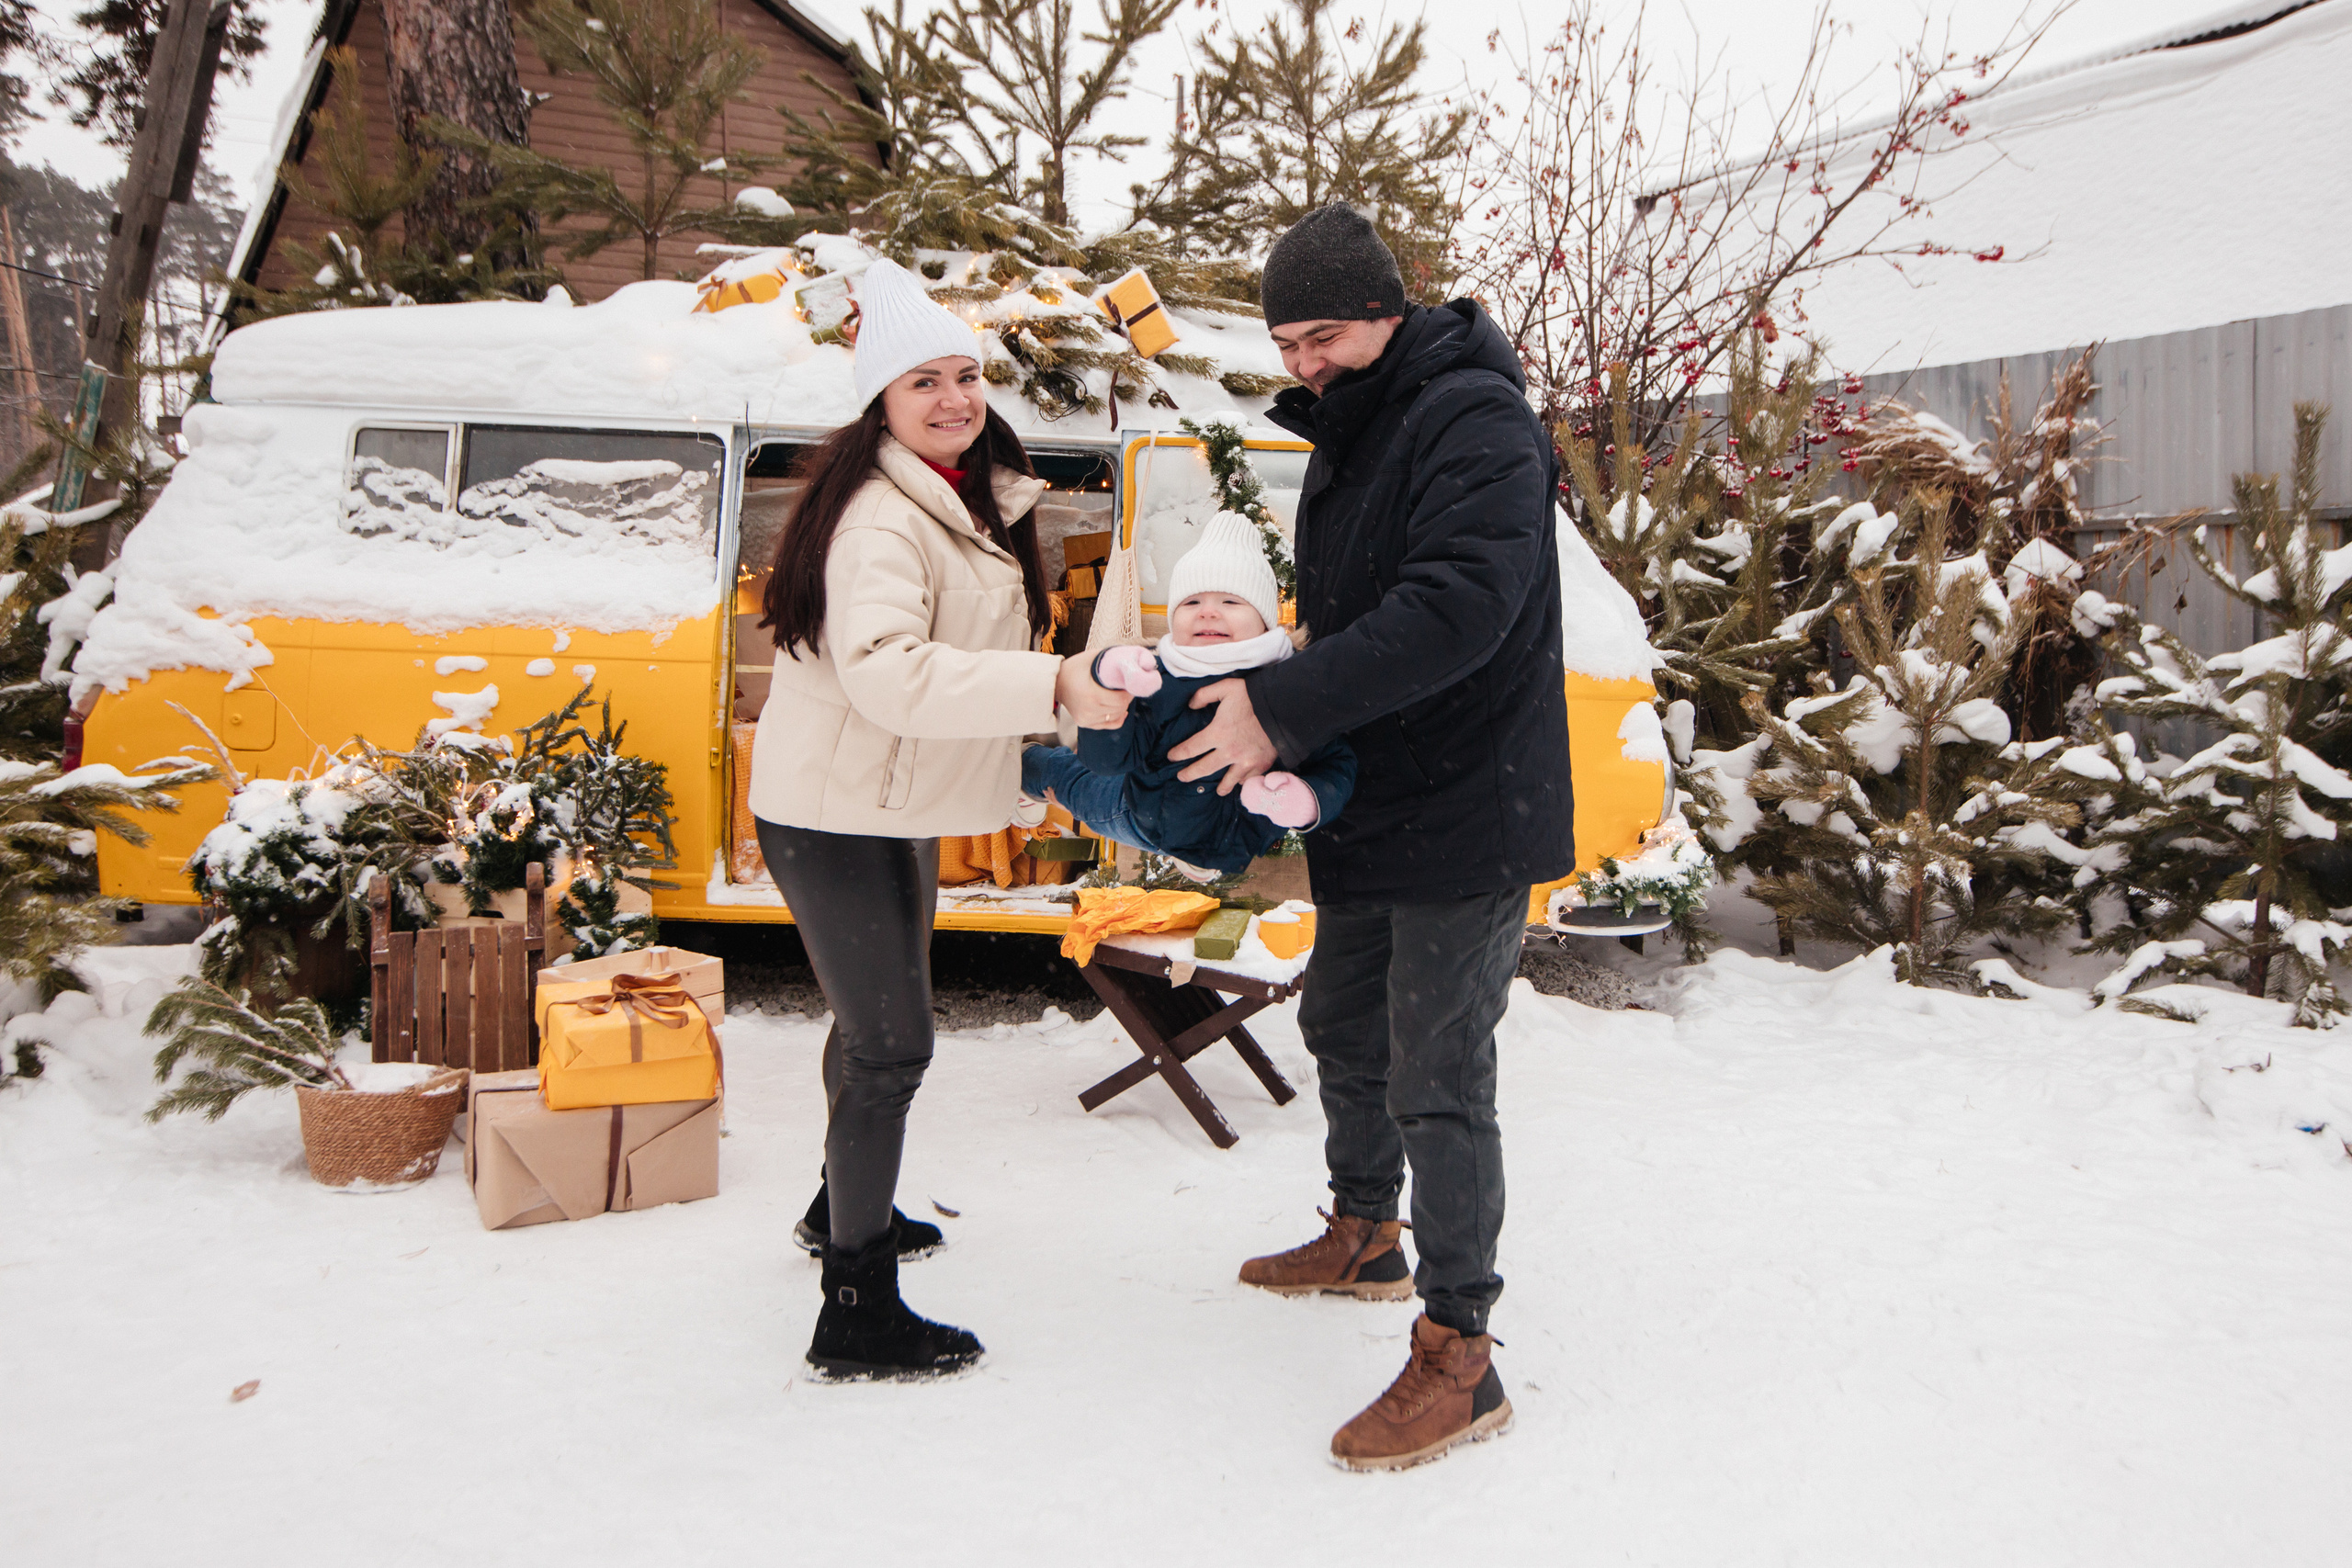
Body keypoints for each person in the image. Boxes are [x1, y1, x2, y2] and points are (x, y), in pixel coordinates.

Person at [1170, 205, 1574, 1469]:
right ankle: (1364, 1227)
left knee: (1438, 1073)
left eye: (1324, 335)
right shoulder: (1365, 416)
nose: (1303, 363)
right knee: (1342, 1019)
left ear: (1391, 310)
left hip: (1468, 802)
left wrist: (1279, 706)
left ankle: (1461, 1353)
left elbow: (1458, 602)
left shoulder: (1472, 415)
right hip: (1378, 792)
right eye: (1286, 342)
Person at [748, 258, 1128, 1382]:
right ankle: (855, 1306)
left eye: (965, 374)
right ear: (883, 402)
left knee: (874, 1026)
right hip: (835, 813)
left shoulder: (949, 489)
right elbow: (889, 675)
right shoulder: (881, 518)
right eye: (926, 381)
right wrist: (1052, 686)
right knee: (891, 1046)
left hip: (878, 800)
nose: (956, 397)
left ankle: (835, 1207)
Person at [1020, 512, 1355, 878]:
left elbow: (1336, 762)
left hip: (1233, 838)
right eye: (1191, 603)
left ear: (1265, 620)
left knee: (1076, 782)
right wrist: (1110, 690)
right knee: (1074, 783)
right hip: (1141, 814)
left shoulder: (1290, 686)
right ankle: (1018, 769)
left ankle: (1195, 853)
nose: (1208, 612)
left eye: (1230, 602)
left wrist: (1308, 800)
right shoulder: (1159, 679)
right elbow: (1108, 760)